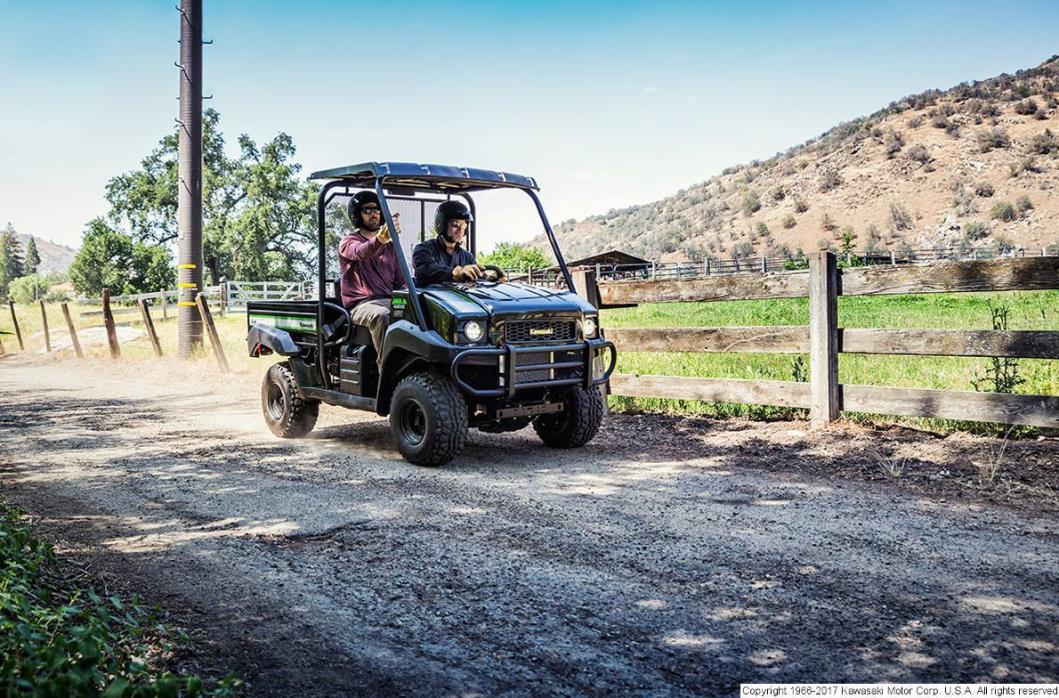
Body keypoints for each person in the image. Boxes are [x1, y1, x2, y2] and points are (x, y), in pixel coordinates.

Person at [338, 191, 405, 359]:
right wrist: (380, 240)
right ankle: (387, 372)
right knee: (382, 316)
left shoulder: (390, 247)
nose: (374, 213)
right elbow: (361, 252)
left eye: (377, 210)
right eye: (367, 210)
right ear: (357, 214)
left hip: (390, 300)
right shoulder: (349, 242)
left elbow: (401, 282)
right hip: (362, 305)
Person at [412, 200, 496, 285]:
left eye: (463, 226)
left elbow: (475, 279)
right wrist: (455, 273)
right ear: (441, 225)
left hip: (458, 298)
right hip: (431, 296)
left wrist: (490, 277)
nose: (460, 230)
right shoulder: (423, 249)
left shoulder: (467, 257)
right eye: (455, 225)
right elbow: (427, 271)